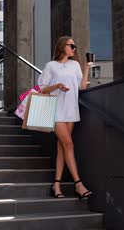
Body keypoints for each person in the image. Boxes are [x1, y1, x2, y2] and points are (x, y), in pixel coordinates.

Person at [38, 36, 92, 199]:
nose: (74, 48)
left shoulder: (75, 65)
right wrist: (57, 86)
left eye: (75, 46)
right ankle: (78, 184)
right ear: (62, 46)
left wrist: (86, 67)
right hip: (55, 110)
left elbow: (82, 86)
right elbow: (41, 89)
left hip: (71, 110)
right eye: (71, 45)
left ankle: (57, 184)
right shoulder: (51, 66)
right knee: (68, 144)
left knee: (62, 148)